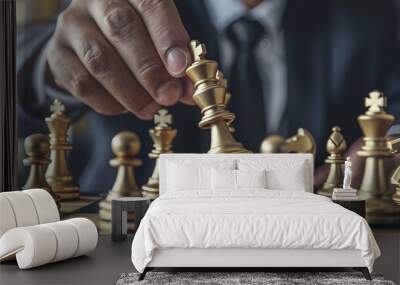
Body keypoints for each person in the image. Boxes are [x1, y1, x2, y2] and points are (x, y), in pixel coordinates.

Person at [17, 0, 400, 195]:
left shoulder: (373, 15)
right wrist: (49, 71)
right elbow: (30, 53)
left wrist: (387, 150)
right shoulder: (135, 8)